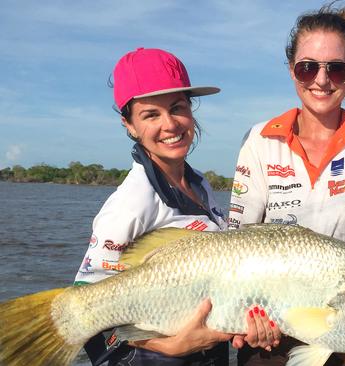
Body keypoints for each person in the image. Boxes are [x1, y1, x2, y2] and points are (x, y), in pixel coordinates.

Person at [228, 4, 345, 366]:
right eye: (307, 67)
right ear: (291, 71)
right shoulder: (260, 140)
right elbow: (237, 245)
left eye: (337, 69)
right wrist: (246, 319)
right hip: (275, 342)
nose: (321, 79)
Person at [73, 47, 280, 366]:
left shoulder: (200, 183)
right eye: (150, 115)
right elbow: (82, 315)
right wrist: (168, 346)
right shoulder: (132, 202)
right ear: (128, 124)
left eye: (177, 108)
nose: (170, 124)